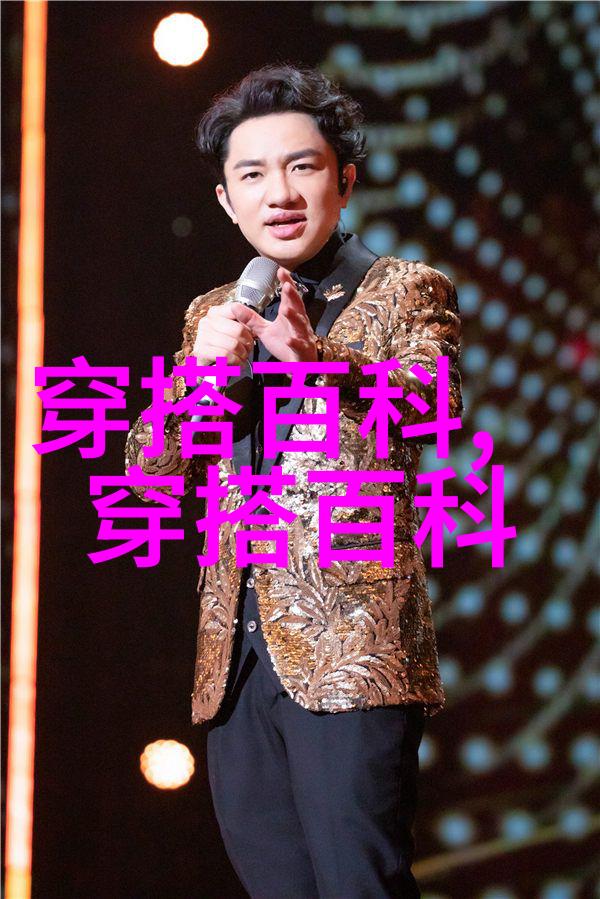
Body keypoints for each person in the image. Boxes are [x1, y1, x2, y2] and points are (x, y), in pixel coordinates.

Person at [125, 63, 462, 899]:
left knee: (360, 883)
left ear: (344, 180)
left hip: (351, 654)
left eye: (301, 166)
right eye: (252, 175)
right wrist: (196, 380)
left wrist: (323, 362)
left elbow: (433, 404)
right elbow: (148, 472)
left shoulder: (403, 289)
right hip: (235, 666)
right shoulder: (213, 313)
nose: (278, 193)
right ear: (226, 201)